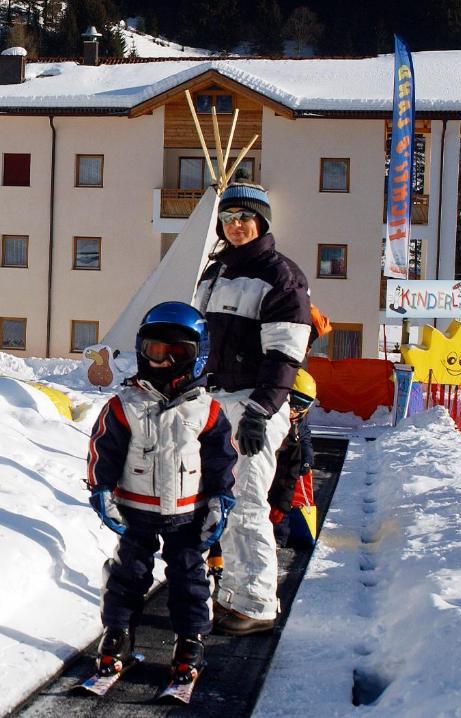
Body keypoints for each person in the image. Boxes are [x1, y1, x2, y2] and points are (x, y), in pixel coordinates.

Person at [86, 301, 237, 684]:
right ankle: (116, 634)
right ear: (141, 350)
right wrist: (102, 491)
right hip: (136, 508)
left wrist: (221, 498)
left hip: (188, 512)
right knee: (128, 574)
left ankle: (190, 641)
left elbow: (222, 460)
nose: (165, 362)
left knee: (189, 578)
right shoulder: (125, 406)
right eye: (156, 352)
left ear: (197, 355)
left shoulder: (206, 411)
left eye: (176, 353)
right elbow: (103, 450)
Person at [192, 181, 311, 636]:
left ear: (261, 221)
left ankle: (258, 602)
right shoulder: (214, 270)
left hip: (254, 403)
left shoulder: (280, 276)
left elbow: (285, 355)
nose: (236, 226)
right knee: (216, 501)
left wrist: (262, 410)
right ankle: (231, 595)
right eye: (228, 218)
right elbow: (200, 338)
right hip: (214, 400)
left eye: (244, 218)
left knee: (245, 503)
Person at [267, 369, 316, 546]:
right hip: (269, 463)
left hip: (286, 469)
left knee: (282, 503)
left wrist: (307, 459)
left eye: (301, 407)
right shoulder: (271, 416)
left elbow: (305, 439)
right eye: (293, 404)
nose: (294, 411)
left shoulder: (299, 422)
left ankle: (280, 537)